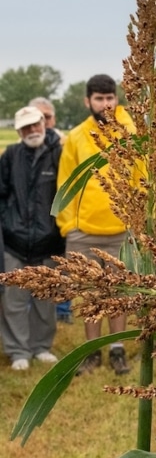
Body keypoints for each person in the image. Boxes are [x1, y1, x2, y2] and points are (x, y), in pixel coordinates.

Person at [56, 74, 133, 375]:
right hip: (84, 231)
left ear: (117, 98)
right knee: (90, 295)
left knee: (118, 294)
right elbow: (65, 183)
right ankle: (92, 352)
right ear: (87, 101)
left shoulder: (130, 131)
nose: (105, 104)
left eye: (110, 97)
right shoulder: (75, 137)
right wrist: (68, 227)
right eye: (99, 98)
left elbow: (141, 178)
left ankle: (117, 349)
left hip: (120, 231)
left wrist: (134, 222)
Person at [0, 106, 65, 370]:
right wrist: (9, 222)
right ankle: (18, 351)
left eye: (36, 125)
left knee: (45, 300)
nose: (32, 131)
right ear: (18, 131)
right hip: (15, 242)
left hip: (48, 242)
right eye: (26, 127)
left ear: (44, 124)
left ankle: (41, 347)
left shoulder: (58, 153)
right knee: (13, 300)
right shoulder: (10, 155)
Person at [29, 96, 72, 323]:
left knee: (61, 267)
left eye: (46, 117)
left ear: (53, 119)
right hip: (32, 219)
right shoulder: (24, 149)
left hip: (58, 216)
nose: (43, 123)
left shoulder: (64, 147)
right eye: (38, 118)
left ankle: (63, 310)